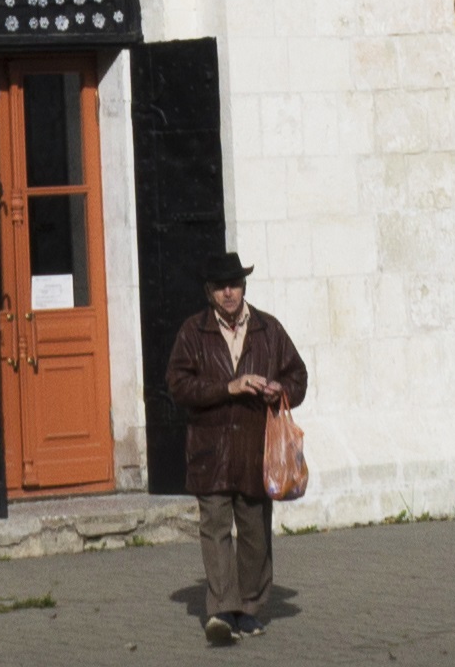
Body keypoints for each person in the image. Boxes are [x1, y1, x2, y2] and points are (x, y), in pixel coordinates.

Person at [158, 254, 307, 648]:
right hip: (211, 449)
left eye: (235, 285)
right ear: (209, 291)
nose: (229, 292)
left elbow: (299, 376)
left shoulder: (268, 329)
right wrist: (227, 387)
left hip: (258, 451)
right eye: (221, 286)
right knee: (216, 529)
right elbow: (178, 386)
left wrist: (279, 389)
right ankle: (222, 609)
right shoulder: (193, 332)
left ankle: (250, 608)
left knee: (256, 532)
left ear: (244, 288)